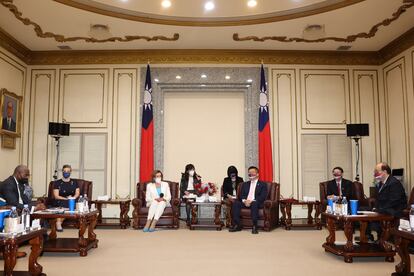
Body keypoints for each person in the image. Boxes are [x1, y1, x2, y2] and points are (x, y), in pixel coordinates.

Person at [367, 162, 407, 240]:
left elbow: (394, 201)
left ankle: (380, 238)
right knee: (364, 210)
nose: (375, 173)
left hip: (394, 209)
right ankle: (368, 235)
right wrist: (375, 207)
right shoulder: (381, 183)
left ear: (384, 172)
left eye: (377, 171)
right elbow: (378, 198)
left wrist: (379, 209)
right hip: (385, 207)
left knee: (377, 214)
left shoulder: (394, 183)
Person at [229, 166, 267, 234]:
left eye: (252, 172)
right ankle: (237, 225)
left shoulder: (263, 184)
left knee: (254, 203)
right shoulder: (245, 184)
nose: (250, 174)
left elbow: (263, 196)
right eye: (249, 173)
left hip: (255, 202)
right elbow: (241, 195)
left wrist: (252, 201)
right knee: (236, 203)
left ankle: (254, 226)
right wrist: (244, 201)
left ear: (257, 174)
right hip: (245, 202)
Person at [52, 164, 80, 231]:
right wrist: (66, 199)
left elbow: (77, 193)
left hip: (72, 200)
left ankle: (59, 222)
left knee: (69, 204)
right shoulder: (57, 183)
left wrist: (72, 198)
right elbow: (56, 196)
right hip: (60, 200)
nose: (66, 173)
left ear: (70, 172)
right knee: (64, 205)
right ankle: (59, 223)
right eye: (64, 171)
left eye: (68, 171)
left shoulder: (74, 182)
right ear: (62, 172)